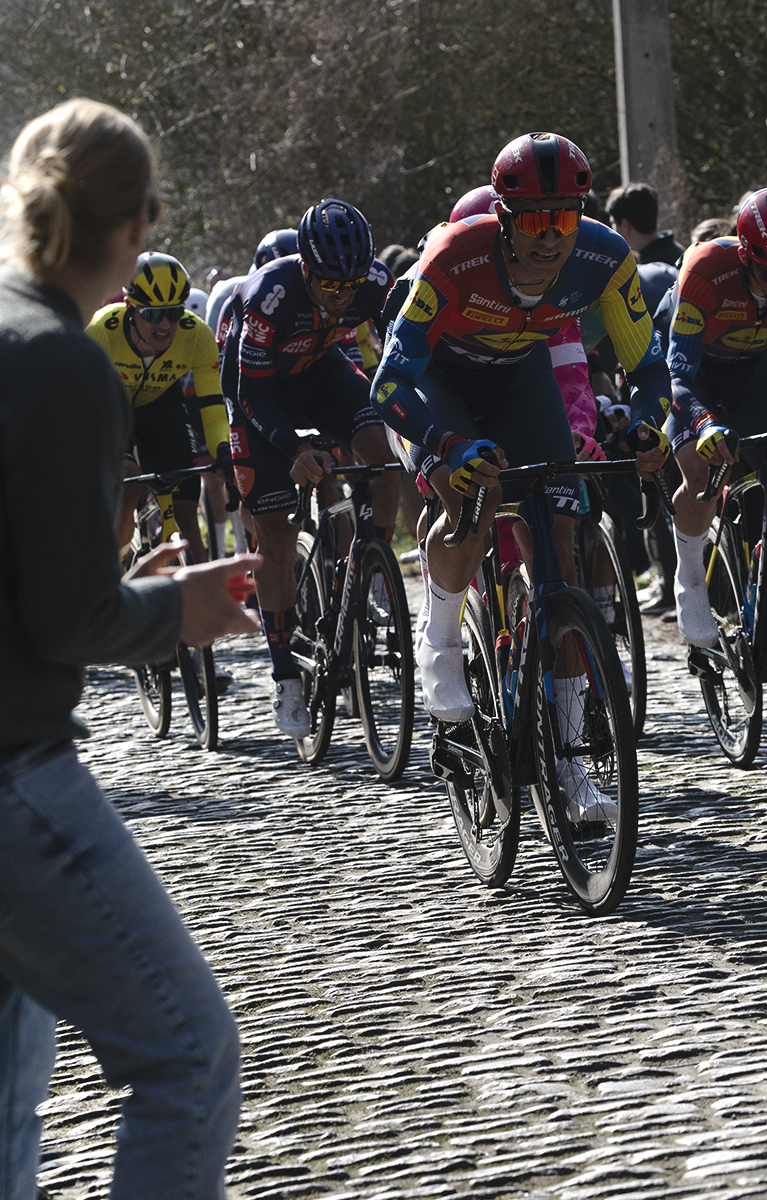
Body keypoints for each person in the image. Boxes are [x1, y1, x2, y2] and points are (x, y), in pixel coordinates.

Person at [0, 96, 262, 1200]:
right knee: (187, 1057)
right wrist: (175, 613)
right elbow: (68, 618)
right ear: (133, 226)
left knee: (12, 1083)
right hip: (13, 767)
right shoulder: (61, 362)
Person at [370, 132, 670, 814]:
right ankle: (440, 641)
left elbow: (648, 368)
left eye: (562, 218)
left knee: (557, 546)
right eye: (533, 220)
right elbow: (388, 385)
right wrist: (445, 443)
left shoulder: (603, 257)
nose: (548, 236)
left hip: (519, 376)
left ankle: (570, 767)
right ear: (503, 219)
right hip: (441, 382)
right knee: (471, 502)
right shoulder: (454, 257)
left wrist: (650, 425)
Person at [221, 198, 399, 738]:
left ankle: (375, 566)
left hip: (319, 372)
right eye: (328, 285)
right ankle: (285, 679)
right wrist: (292, 450)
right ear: (306, 266)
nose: (340, 296)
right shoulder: (270, 297)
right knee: (275, 540)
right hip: (258, 395)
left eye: (349, 287)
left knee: (382, 458)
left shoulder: (372, 283)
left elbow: (402, 341)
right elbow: (248, 391)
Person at [663, 187, 767, 646]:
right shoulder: (706, 269)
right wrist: (702, 422)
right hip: (693, 371)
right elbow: (677, 375)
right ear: (746, 257)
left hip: (755, 368)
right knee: (703, 472)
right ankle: (690, 575)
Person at [87, 252, 233, 563]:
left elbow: (212, 406)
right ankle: (114, 574)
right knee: (128, 482)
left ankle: (202, 596)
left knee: (186, 511)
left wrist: (223, 448)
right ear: (130, 308)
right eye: (153, 315)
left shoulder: (197, 335)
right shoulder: (103, 329)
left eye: (174, 313)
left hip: (161, 406)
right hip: (111, 407)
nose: (165, 325)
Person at [606, 181, 685, 266]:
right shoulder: (679, 253)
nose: (612, 231)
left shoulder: (651, 268)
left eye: (613, 223)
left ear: (625, 224)